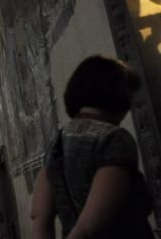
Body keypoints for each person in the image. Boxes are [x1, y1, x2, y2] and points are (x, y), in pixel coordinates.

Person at [30, 55, 155, 239]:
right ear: (117, 94)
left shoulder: (57, 144)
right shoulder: (113, 139)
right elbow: (86, 229)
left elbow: (40, 219)